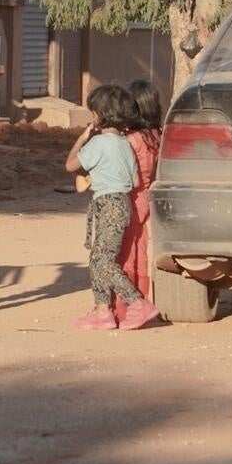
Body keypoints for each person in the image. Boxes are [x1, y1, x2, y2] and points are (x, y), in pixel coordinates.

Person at [64, 85, 162, 331]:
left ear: (100, 115)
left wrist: (82, 138)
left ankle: (137, 302)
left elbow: (70, 165)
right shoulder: (125, 144)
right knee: (98, 259)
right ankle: (102, 311)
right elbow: (135, 182)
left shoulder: (97, 144)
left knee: (103, 260)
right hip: (123, 204)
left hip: (106, 205)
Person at [114, 79, 164, 322]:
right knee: (140, 251)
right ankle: (142, 300)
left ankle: (126, 306)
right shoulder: (157, 135)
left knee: (125, 253)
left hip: (130, 199)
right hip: (147, 197)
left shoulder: (131, 140)